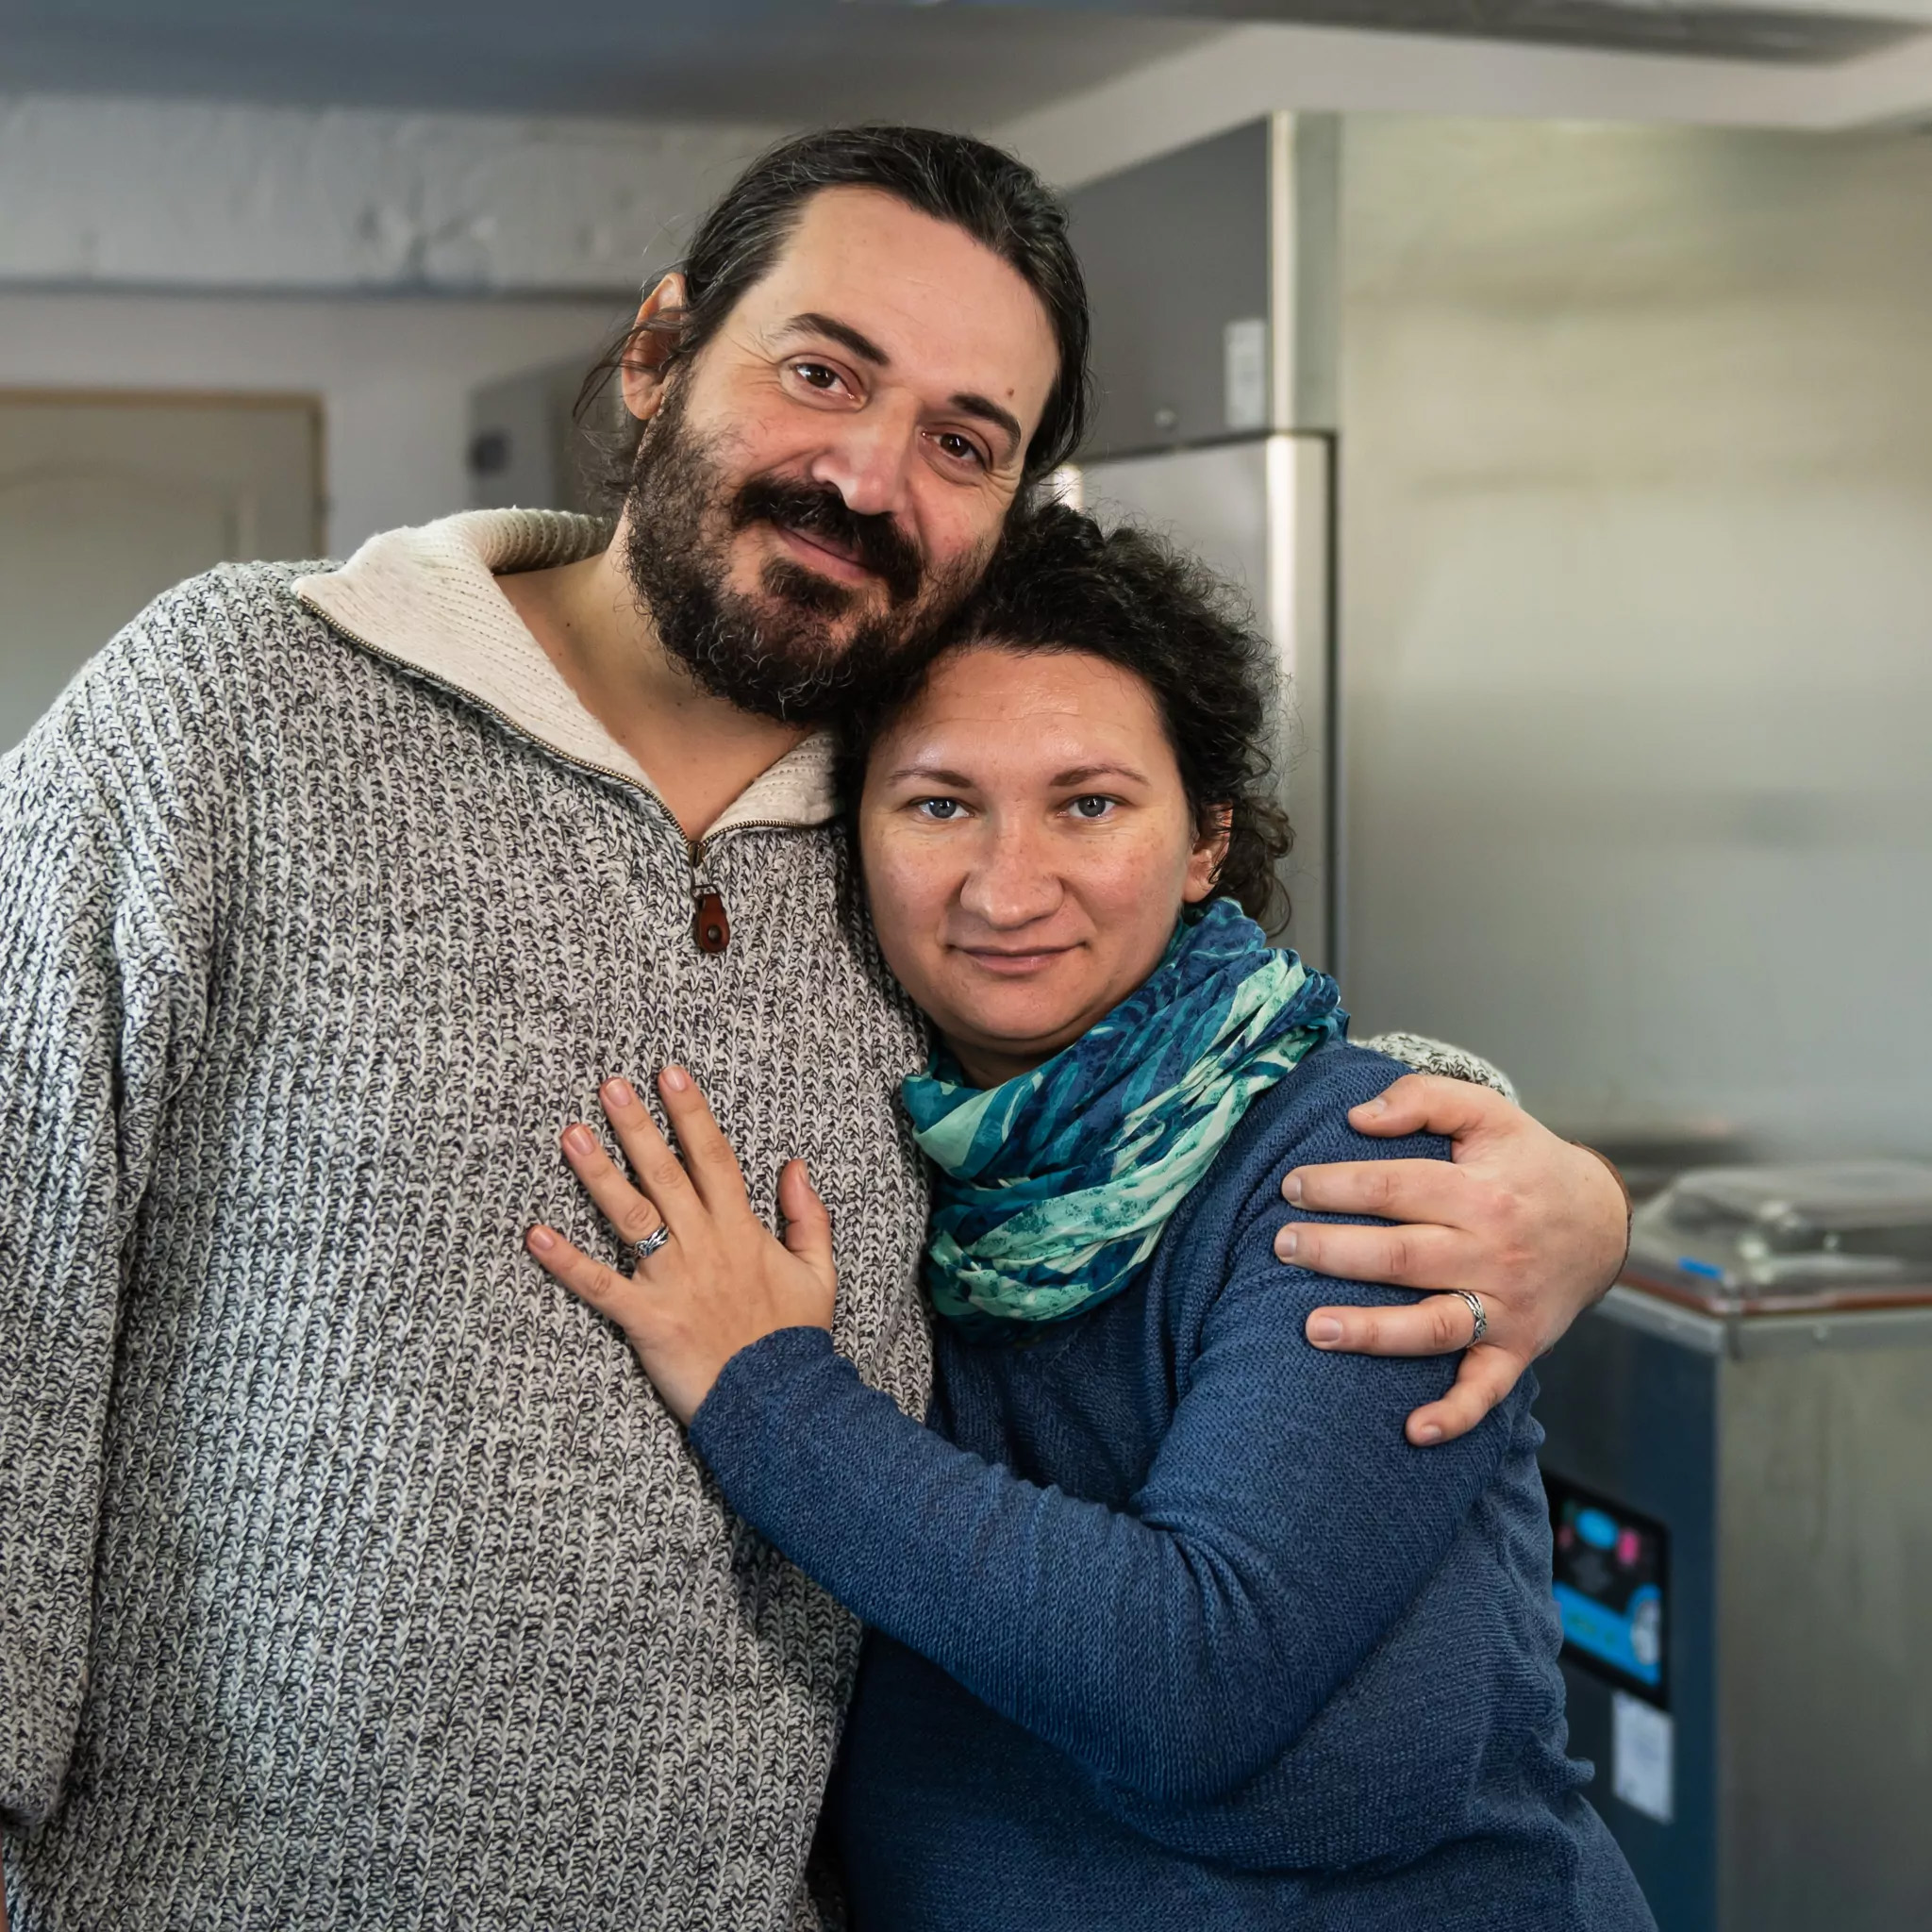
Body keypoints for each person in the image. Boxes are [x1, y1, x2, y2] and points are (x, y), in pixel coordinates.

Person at [0, 128, 1627, 1932]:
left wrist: (1530, 1169)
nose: (865, 478)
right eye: (823, 371)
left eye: (964, 441)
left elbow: (1161, 1058)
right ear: (658, 351)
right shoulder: (231, 706)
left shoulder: (902, 812)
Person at [528, 507, 1656, 1930]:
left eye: (1091, 805)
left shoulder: (1369, 1165)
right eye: (940, 804)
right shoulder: (907, 1164)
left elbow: (1191, 1682)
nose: (1008, 888)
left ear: (1205, 842)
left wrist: (765, 1388)